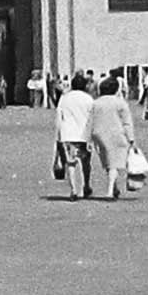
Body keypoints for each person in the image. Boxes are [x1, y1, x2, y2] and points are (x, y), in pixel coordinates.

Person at [85, 76, 139, 200]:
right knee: (114, 163)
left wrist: (87, 138)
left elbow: (89, 121)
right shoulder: (120, 102)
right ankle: (110, 190)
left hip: (99, 135)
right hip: (117, 134)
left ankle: (114, 187)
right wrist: (131, 138)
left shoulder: (96, 103)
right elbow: (127, 122)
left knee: (109, 162)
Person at [52, 72, 96, 200]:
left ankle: (73, 190)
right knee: (86, 162)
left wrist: (58, 136)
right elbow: (92, 118)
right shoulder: (88, 99)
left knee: (70, 163)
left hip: (68, 134)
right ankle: (86, 185)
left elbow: (59, 118)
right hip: (84, 135)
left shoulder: (65, 98)